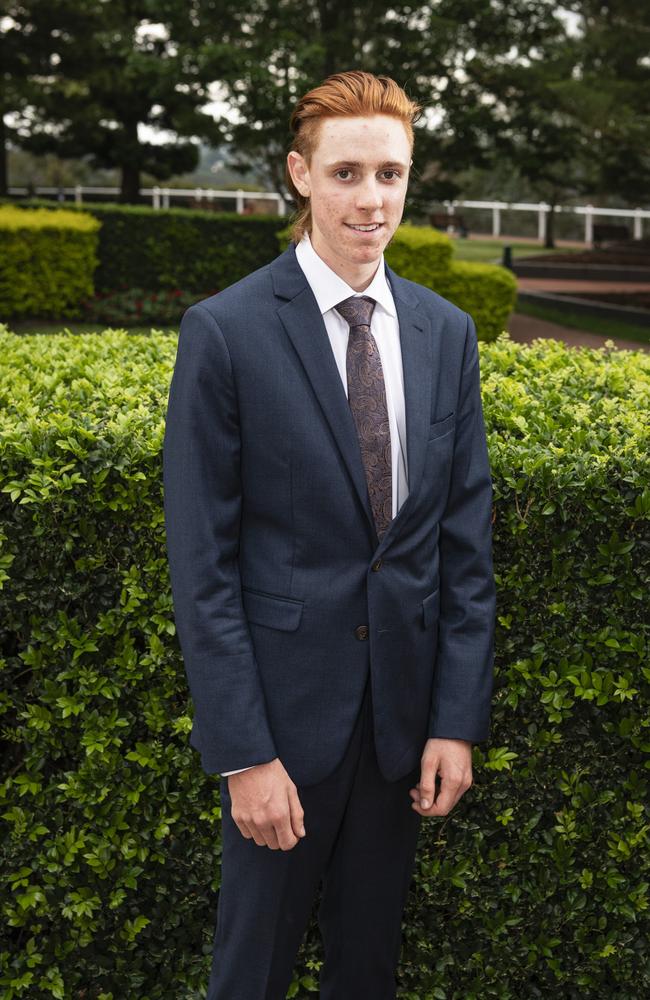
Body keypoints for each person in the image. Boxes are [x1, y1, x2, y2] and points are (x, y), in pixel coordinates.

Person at [163, 69, 496, 1000]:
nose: (372, 199)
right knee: (253, 976)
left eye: (390, 174)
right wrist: (244, 754)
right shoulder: (224, 332)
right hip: (279, 738)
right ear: (300, 174)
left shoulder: (447, 332)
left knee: (368, 973)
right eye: (348, 173)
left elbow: (463, 548)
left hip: (401, 733)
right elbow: (204, 566)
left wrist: (455, 722)